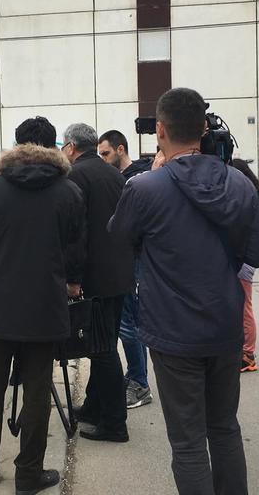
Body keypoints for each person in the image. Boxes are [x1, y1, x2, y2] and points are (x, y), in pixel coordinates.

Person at [110, 88, 259, 495]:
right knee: (225, 428)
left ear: (160, 131)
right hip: (224, 324)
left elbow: (119, 238)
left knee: (187, 442)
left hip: (172, 329)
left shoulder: (145, 188)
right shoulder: (238, 182)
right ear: (203, 127)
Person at [0, 117, 84, 494]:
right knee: (37, 391)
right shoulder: (68, 192)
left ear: (16, 146)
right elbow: (75, 247)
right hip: (43, 305)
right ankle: (28, 474)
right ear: (53, 146)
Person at [62, 123, 134, 443]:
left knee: (102, 350)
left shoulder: (76, 176)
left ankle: (115, 423)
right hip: (119, 274)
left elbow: (76, 234)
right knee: (103, 344)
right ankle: (94, 406)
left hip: (95, 277)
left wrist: (73, 278)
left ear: (71, 147)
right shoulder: (114, 174)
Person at [98, 129, 153, 408]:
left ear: (120, 149)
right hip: (126, 259)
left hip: (132, 259)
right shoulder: (123, 178)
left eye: (106, 153)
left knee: (128, 324)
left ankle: (140, 383)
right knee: (131, 323)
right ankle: (136, 377)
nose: (103, 159)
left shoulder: (136, 179)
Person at [231, 158, 259, 373]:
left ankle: (248, 354)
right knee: (241, 305)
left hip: (244, 258)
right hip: (244, 256)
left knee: (244, 307)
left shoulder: (243, 196)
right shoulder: (250, 193)